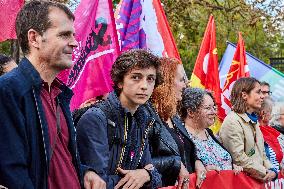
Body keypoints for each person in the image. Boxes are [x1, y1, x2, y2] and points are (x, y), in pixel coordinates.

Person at [0, 1, 104, 189]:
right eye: (64, 35)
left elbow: (54, 158)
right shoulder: (8, 91)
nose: (74, 42)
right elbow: (14, 174)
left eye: (73, 35)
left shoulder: (59, 94)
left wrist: (85, 172)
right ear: (34, 38)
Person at [77, 49, 162, 189]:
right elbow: (97, 183)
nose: (144, 86)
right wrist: (138, 178)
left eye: (150, 79)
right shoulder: (96, 119)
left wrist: (146, 175)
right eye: (136, 77)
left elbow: (154, 174)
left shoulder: (142, 119)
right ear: (120, 82)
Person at [145, 58, 206, 189]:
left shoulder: (174, 117)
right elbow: (141, 162)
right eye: (181, 80)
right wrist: (175, 164)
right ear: (166, 82)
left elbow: (186, 150)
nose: (186, 85)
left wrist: (197, 162)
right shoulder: (146, 116)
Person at [220, 77, 277, 182]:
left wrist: (272, 170)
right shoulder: (233, 121)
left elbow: (262, 154)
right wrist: (265, 172)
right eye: (258, 92)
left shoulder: (253, 121)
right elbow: (239, 158)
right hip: (242, 184)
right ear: (244, 95)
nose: (262, 97)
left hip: (256, 182)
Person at [180, 87, 242, 174]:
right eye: (208, 108)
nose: (214, 112)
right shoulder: (181, 136)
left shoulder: (209, 132)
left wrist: (231, 166)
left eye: (214, 107)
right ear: (191, 112)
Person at [258, 97, 284, 174]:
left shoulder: (271, 131)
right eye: (271, 112)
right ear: (263, 113)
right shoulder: (256, 131)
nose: (273, 115)